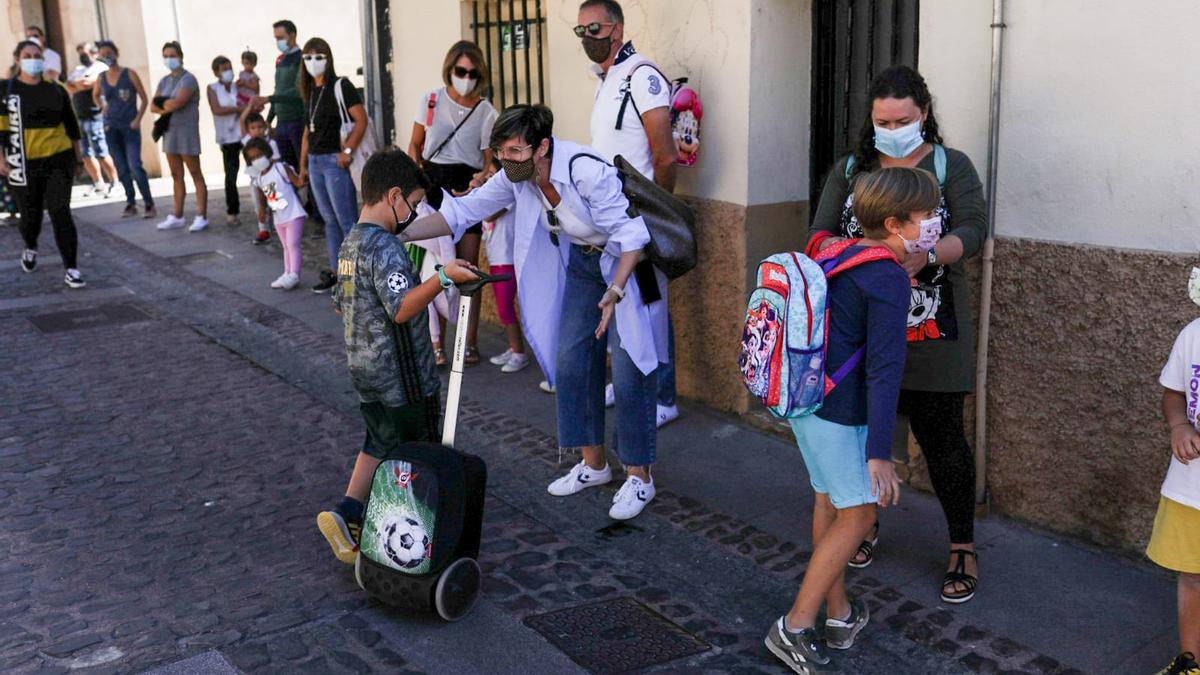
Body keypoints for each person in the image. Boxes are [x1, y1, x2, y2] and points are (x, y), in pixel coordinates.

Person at [401, 104, 669, 521]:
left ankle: (639, 475)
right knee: (571, 359)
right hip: (584, 263)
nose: (505, 161)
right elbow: (464, 211)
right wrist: (396, 231)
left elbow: (633, 235)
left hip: (626, 264)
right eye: (500, 152)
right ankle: (594, 465)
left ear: (542, 147)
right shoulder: (518, 177)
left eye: (514, 151)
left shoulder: (584, 169)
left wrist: (614, 292)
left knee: (632, 365)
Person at [808, 65, 987, 604]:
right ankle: (861, 523)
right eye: (881, 120)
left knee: (942, 437)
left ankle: (962, 544)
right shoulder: (851, 167)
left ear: (924, 115)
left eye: (902, 119)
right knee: (863, 434)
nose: (891, 127)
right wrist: (870, 257)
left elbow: (974, 228)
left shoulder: (949, 165)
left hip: (933, 324)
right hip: (858, 329)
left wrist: (926, 254)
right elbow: (817, 235)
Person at [764, 167, 918, 674]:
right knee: (859, 516)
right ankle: (795, 625)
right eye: (926, 216)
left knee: (829, 501)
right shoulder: (889, 278)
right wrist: (880, 453)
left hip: (807, 402)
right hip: (844, 414)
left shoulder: (835, 250)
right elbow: (884, 371)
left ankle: (840, 613)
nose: (934, 223)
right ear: (895, 224)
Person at [316, 148, 479, 564]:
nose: (413, 212)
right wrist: (443, 277)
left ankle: (347, 511)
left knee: (378, 441)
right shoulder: (385, 246)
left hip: (365, 370)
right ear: (393, 196)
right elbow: (403, 306)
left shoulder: (350, 241)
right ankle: (404, 538)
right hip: (402, 375)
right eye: (413, 202)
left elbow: (341, 302)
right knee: (416, 453)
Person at [577, 0, 681, 427]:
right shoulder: (607, 78)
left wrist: (655, 212)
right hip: (611, 216)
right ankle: (629, 384)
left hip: (639, 215)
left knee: (651, 304)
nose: (587, 38)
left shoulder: (642, 76)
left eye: (595, 29)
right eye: (581, 31)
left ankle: (664, 396)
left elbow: (665, 155)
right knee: (624, 303)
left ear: (616, 30)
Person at [406, 40, 499, 365]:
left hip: (466, 191)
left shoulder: (487, 112)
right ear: (450, 69)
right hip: (433, 188)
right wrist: (417, 183)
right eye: (461, 71)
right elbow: (415, 146)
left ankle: (468, 343)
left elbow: (490, 160)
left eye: (473, 73)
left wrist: (479, 181)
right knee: (436, 267)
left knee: (469, 270)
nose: (466, 77)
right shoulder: (430, 99)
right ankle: (438, 344)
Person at [0, 40, 86, 288]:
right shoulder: (7, 90)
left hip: (58, 158)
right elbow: (1, 126)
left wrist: (78, 158)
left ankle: (72, 267)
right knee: (30, 216)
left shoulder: (56, 90)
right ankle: (30, 244)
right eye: (27, 55)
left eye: (37, 55)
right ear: (18, 60)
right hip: (22, 162)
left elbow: (72, 127)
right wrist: (1, 158)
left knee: (61, 211)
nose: (33, 59)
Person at [1148, 291, 1200, 675]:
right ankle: (1191, 660)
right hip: (1191, 489)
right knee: (1193, 577)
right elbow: (1174, 393)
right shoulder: (1193, 335)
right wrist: (1178, 425)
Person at [298, 37, 367, 293]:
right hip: (315, 161)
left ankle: (354, 276)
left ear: (328, 59)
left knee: (346, 219)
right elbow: (308, 130)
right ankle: (338, 273)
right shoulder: (310, 91)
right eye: (308, 57)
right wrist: (302, 165)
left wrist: (347, 150)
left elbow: (361, 119)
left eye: (318, 56)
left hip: (333, 160)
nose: (313, 62)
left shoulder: (341, 85)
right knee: (329, 220)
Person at [93, 40, 154, 219]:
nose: (107, 57)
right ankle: (131, 203)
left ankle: (149, 203)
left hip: (130, 126)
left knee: (135, 164)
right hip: (111, 126)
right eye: (103, 54)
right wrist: (101, 107)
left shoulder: (129, 74)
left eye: (109, 53)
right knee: (121, 166)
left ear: (116, 53)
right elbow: (95, 95)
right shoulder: (101, 77)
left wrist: (138, 119)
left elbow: (144, 98)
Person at [152, 41, 208, 232]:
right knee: (176, 175)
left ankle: (201, 215)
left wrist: (164, 103)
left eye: (172, 55)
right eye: (166, 56)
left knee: (195, 173)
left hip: (186, 132)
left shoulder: (188, 79)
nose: (169, 59)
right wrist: (167, 103)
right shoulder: (164, 81)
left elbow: (179, 102)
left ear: (180, 56)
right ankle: (177, 214)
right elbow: (153, 106)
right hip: (170, 132)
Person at [244, 137, 305, 290]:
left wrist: (303, 176)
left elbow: (297, 182)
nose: (257, 160)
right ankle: (287, 272)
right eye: (253, 158)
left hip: (294, 213)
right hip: (279, 217)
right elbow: (263, 196)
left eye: (259, 155)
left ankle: (294, 274)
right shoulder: (259, 178)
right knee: (285, 246)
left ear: (267, 153)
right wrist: (262, 212)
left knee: (293, 244)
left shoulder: (281, 168)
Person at [65, 42, 116, 197]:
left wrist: (79, 84)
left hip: (96, 115)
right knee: (86, 153)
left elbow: (89, 83)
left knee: (101, 150)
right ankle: (98, 182)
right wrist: (79, 84)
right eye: (80, 53)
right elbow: (68, 85)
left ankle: (114, 182)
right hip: (80, 115)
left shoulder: (100, 67)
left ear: (94, 54)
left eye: (85, 53)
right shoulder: (79, 69)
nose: (82, 56)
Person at [484, 207, 530, 373]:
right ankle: (514, 347)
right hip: (496, 258)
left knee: (505, 308)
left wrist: (479, 187)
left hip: (507, 258)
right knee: (503, 308)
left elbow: (489, 214)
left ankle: (519, 353)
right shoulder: (491, 195)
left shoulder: (506, 193)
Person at [261, 20, 304, 171]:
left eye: (281, 37)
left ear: (292, 36)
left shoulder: (302, 58)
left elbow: (297, 92)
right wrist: (269, 119)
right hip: (281, 123)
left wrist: (269, 99)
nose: (279, 42)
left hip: (297, 120)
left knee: (302, 167)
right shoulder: (281, 60)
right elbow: (278, 90)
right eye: (276, 38)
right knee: (286, 169)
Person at [208, 56, 244, 225]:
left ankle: (270, 206)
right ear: (216, 72)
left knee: (261, 169)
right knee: (231, 174)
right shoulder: (213, 88)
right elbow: (217, 109)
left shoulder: (239, 86)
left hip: (244, 132)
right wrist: (237, 109)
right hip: (227, 136)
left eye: (229, 68)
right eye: (224, 69)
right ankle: (232, 210)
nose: (228, 72)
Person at [240, 110, 282, 244]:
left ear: (264, 127)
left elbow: (276, 160)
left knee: (274, 203)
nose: (257, 130)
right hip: (255, 180)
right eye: (253, 128)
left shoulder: (271, 143)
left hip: (269, 181)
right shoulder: (247, 141)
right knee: (258, 205)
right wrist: (251, 106)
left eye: (259, 127)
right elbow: (242, 120)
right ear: (248, 130)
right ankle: (263, 229)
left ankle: (280, 227)